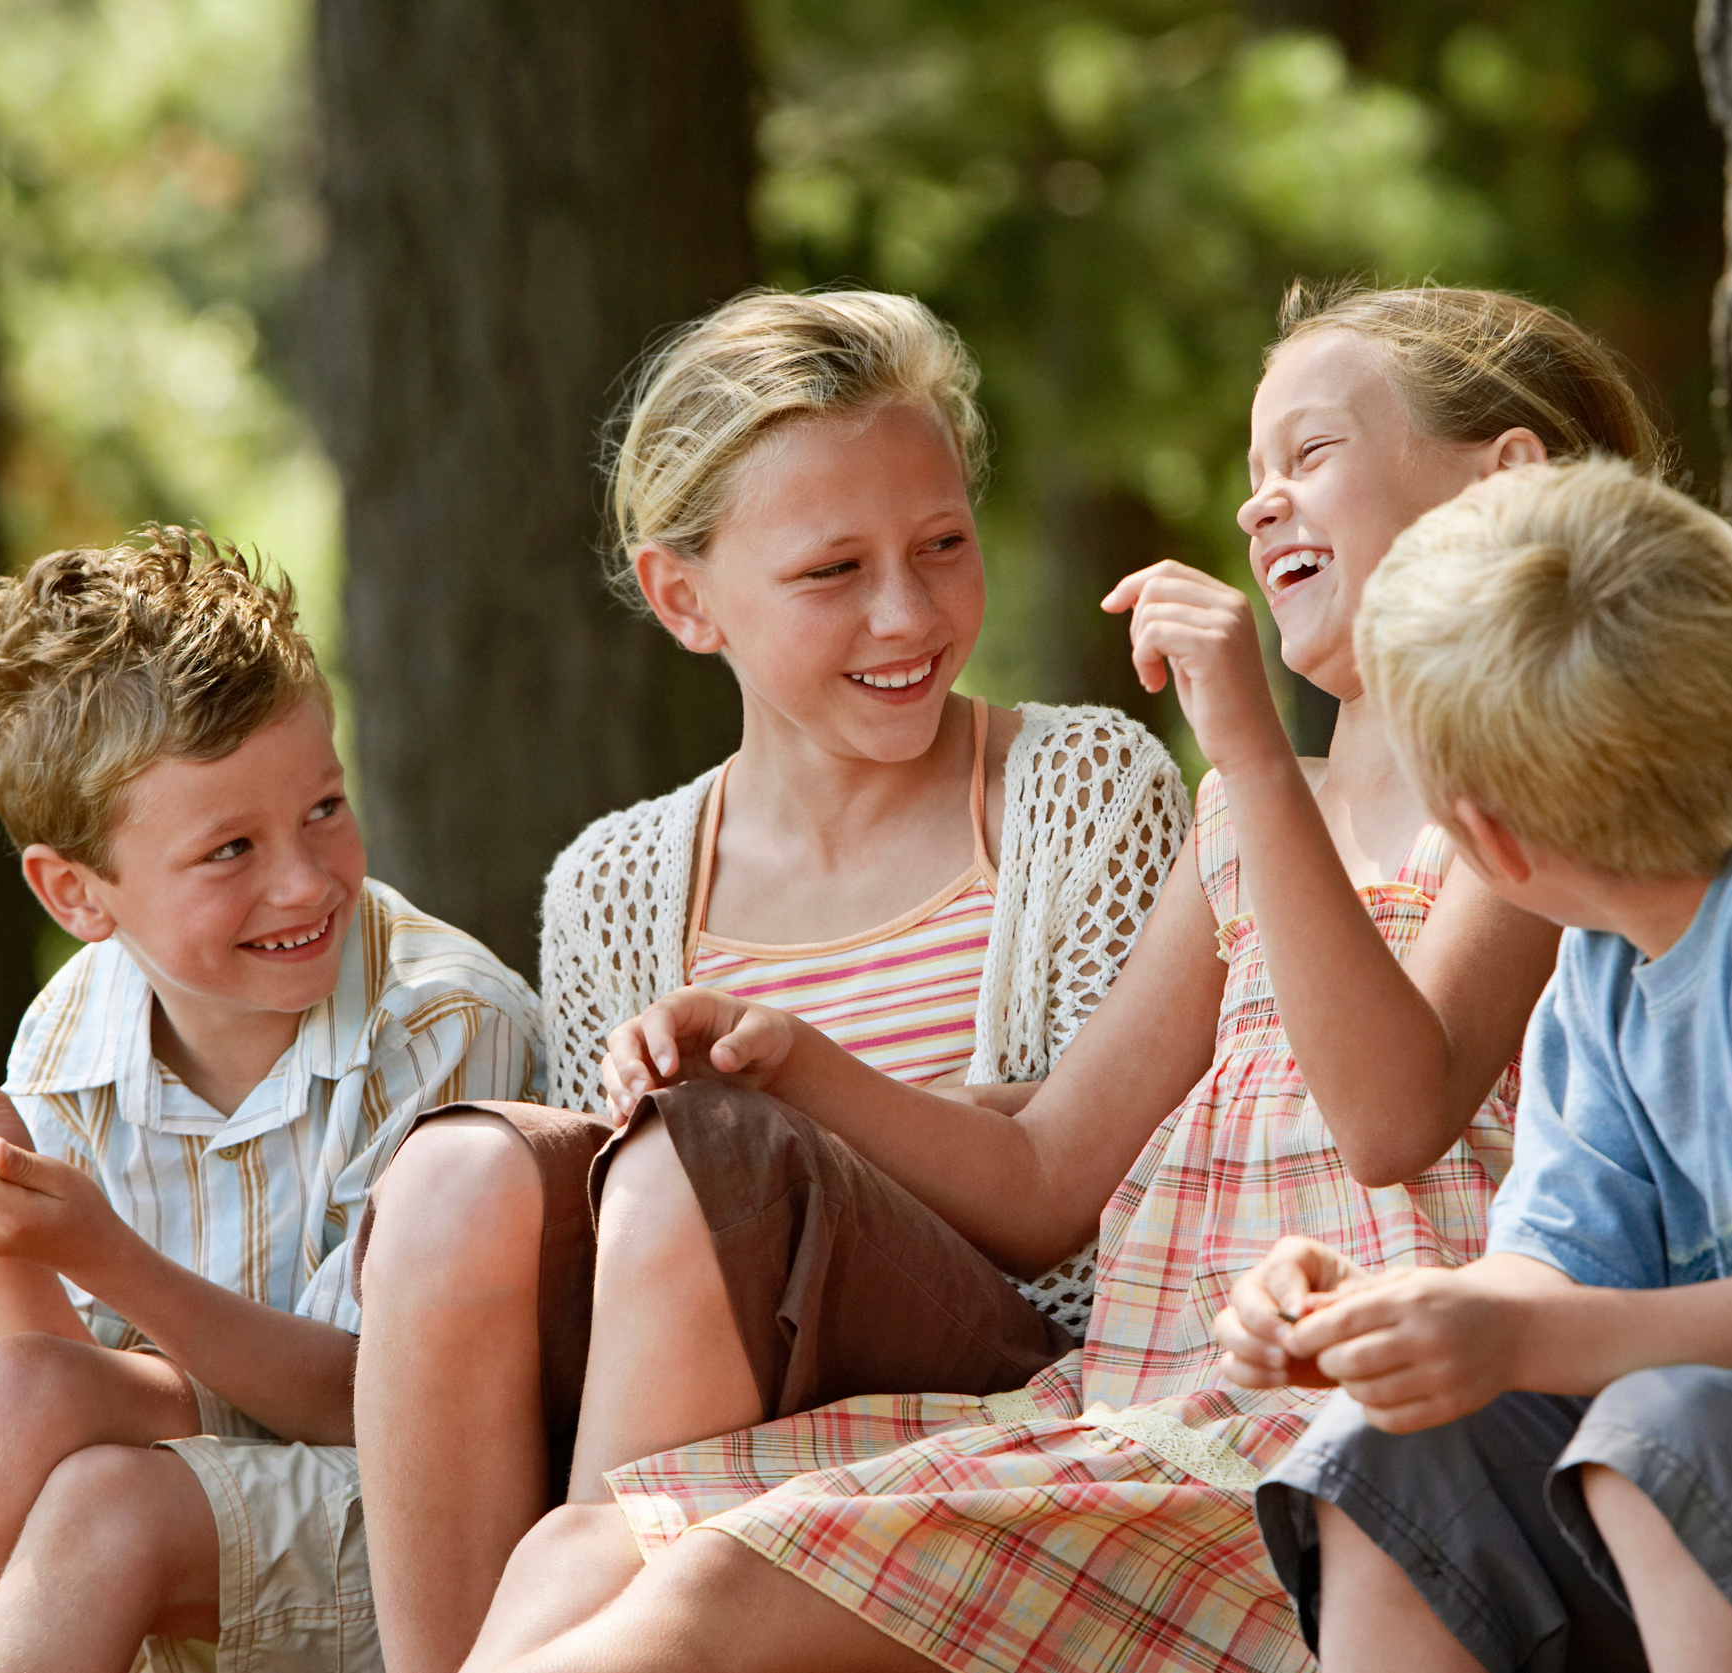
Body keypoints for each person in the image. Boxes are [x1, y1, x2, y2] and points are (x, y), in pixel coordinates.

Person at [451, 283, 1660, 1672]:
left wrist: (1253, 752)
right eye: (1252, 473)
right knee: (580, 1544)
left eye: (1311, 456)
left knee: (709, 1592)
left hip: (1321, 1445)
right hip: (1125, 1411)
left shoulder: (1528, 809)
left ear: (1504, 481)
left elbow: (1395, 1115)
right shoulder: (1244, 826)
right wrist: (790, 1058)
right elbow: (1039, 1180)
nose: (1262, 504)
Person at [351, 287, 1193, 1673]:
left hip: (1012, 1387)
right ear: (685, 598)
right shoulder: (619, 883)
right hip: (708, 1389)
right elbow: (623, 1262)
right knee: (456, 1177)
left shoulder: (1079, 788)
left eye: (941, 544)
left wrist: (784, 1116)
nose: (907, 611)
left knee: (702, 1153)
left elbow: (1108, 1188)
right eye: (831, 571)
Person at [1228, 459, 1732, 1673]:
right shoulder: (1607, 957)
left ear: (1488, 834)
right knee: (1398, 1435)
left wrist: (1514, 1344)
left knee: (1669, 1437)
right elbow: (1557, 1266)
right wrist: (1399, 1319)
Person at [0, 529, 540, 1673]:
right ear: (76, 892)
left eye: (324, 806)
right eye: (229, 846)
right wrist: (2, 1223)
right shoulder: (72, 1029)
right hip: (213, 1479)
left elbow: (364, 1399)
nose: (304, 878)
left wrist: (107, 1249)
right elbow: (66, 1397)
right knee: (9, 1391)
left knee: (107, 1512)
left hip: (431, 1525)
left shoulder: (438, 1024)